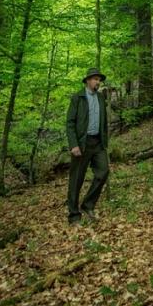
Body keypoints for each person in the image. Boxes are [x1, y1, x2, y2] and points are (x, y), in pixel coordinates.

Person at [65, 67, 110, 224]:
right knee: (76, 179)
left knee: (103, 171)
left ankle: (88, 205)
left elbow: (103, 121)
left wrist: (105, 140)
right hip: (81, 144)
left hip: (98, 143)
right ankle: (74, 215)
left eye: (99, 80)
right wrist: (73, 145)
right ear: (88, 81)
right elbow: (70, 123)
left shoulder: (100, 98)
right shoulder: (78, 97)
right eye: (95, 79)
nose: (98, 82)